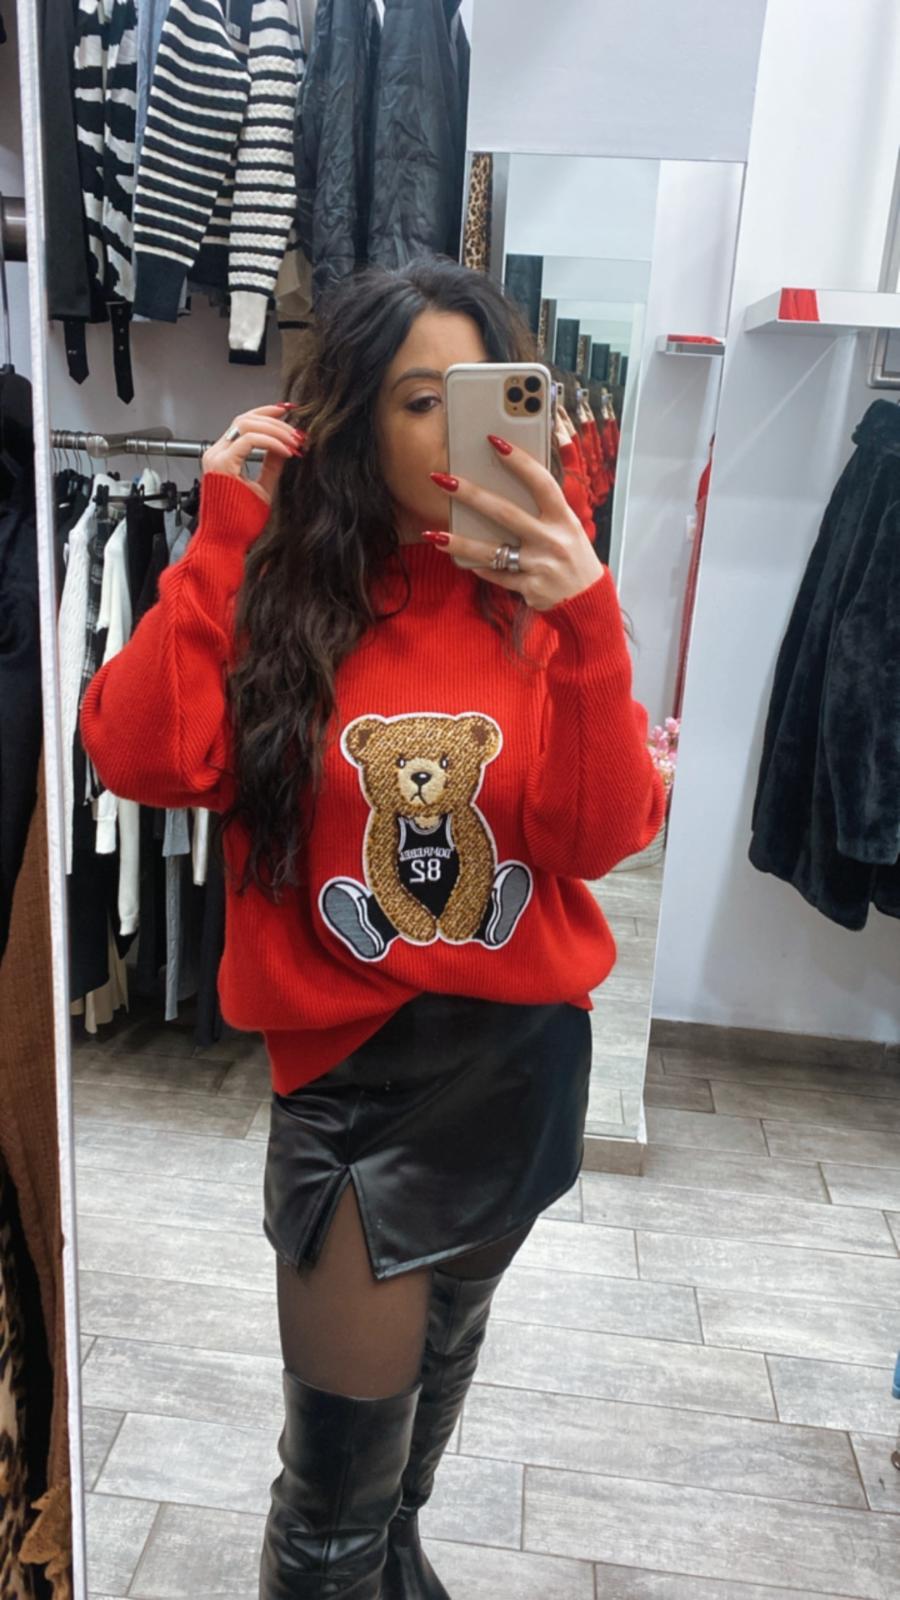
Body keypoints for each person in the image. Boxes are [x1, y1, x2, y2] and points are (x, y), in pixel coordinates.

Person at [80, 257, 664, 1599]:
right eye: (417, 399)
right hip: (350, 1092)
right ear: (353, 421)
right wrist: (223, 537)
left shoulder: (546, 603)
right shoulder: (287, 594)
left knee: (408, 1466)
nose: (455, 431)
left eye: (477, 393)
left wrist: (588, 619)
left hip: (517, 1071)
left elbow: (596, 837)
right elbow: (141, 753)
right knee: (331, 1510)